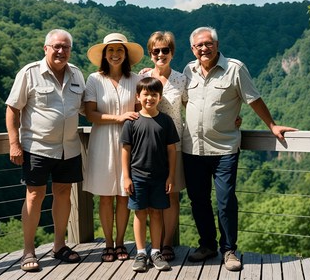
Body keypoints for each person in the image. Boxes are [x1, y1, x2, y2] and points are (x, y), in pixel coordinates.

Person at [182, 26, 298, 272]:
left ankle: (229, 250)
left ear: (216, 43)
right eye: (198, 45)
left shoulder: (234, 68)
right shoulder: (188, 71)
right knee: (198, 201)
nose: (204, 48)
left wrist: (272, 125)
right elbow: (182, 102)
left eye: (208, 43)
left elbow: (253, 98)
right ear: (192, 49)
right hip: (192, 148)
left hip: (224, 148)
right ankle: (207, 246)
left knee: (225, 201)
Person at [6, 29, 85, 272]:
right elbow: (12, 109)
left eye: (66, 47)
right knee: (34, 196)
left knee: (63, 194)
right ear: (46, 48)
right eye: (56, 47)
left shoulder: (78, 75)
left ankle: (59, 246)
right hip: (37, 147)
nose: (61, 51)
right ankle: (28, 251)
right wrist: (13, 143)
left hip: (69, 147)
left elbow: (88, 106)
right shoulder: (29, 73)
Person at [83, 32, 144, 263]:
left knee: (124, 194)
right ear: (104, 54)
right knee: (106, 196)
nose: (115, 54)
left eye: (120, 50)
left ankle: (121, 243)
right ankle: (108, 243)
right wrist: (119, 118)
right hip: (102, 143)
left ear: (126, 54)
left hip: (131, 143)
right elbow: (90, 114)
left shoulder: (136, 79)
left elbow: (142, 109)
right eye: (111, 50)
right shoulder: (94, 79)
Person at [121, 77, 178, 273]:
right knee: (139, 213)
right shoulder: (132, 122)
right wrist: (126, 176)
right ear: (138, 96)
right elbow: (125, 150)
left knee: (156, 213)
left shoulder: (166, 121)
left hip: (160, 176)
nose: (150, 98)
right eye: (145, 94)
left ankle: (155, 251)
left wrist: (171, 176)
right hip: (137, 176)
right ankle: (140, 252)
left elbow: (172, 150)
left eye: (154, 94)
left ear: (160, 97)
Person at [141, 31, 186, 262]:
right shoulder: (143, 78)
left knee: (172, 197)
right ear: (150, 54)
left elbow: (193, 106)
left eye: (165, 50)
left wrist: (234, 118)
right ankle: (151, 246)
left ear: (172, 53)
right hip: (147, 148)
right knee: (148, 199)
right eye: (156, 50)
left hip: (174, 145)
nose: (161, 54)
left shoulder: (181, 79)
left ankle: (166, 243)